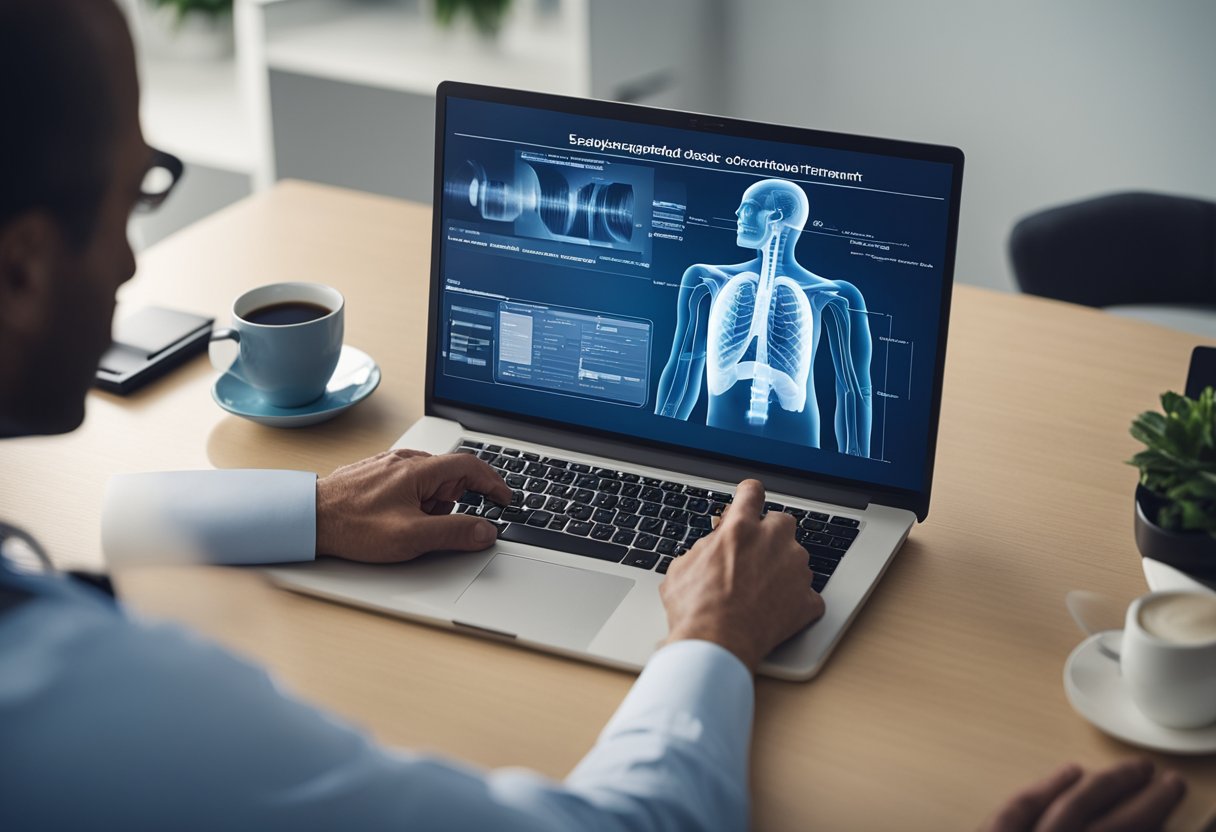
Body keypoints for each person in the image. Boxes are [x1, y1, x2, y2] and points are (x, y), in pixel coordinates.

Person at [0, 1, 1188, 829]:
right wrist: (711, 636)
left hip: (766, 469)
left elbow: (89, 537)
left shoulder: (818, 300)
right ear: (22, 267)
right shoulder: (98, 703)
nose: (130, 257)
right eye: (134, 194)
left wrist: (305, 506)